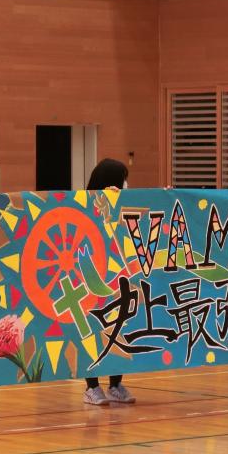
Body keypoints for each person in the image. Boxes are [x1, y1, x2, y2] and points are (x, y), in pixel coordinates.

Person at [82, 158, 135, 405]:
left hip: (117, 277)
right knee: (93, 332)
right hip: (91, 278)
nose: (126, 184)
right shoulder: (84, 203)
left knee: (120, 327)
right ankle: (91, 387)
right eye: (123, 179)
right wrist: (103, 202)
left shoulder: (123, 202)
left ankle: (115, 384)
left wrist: (164, 197)